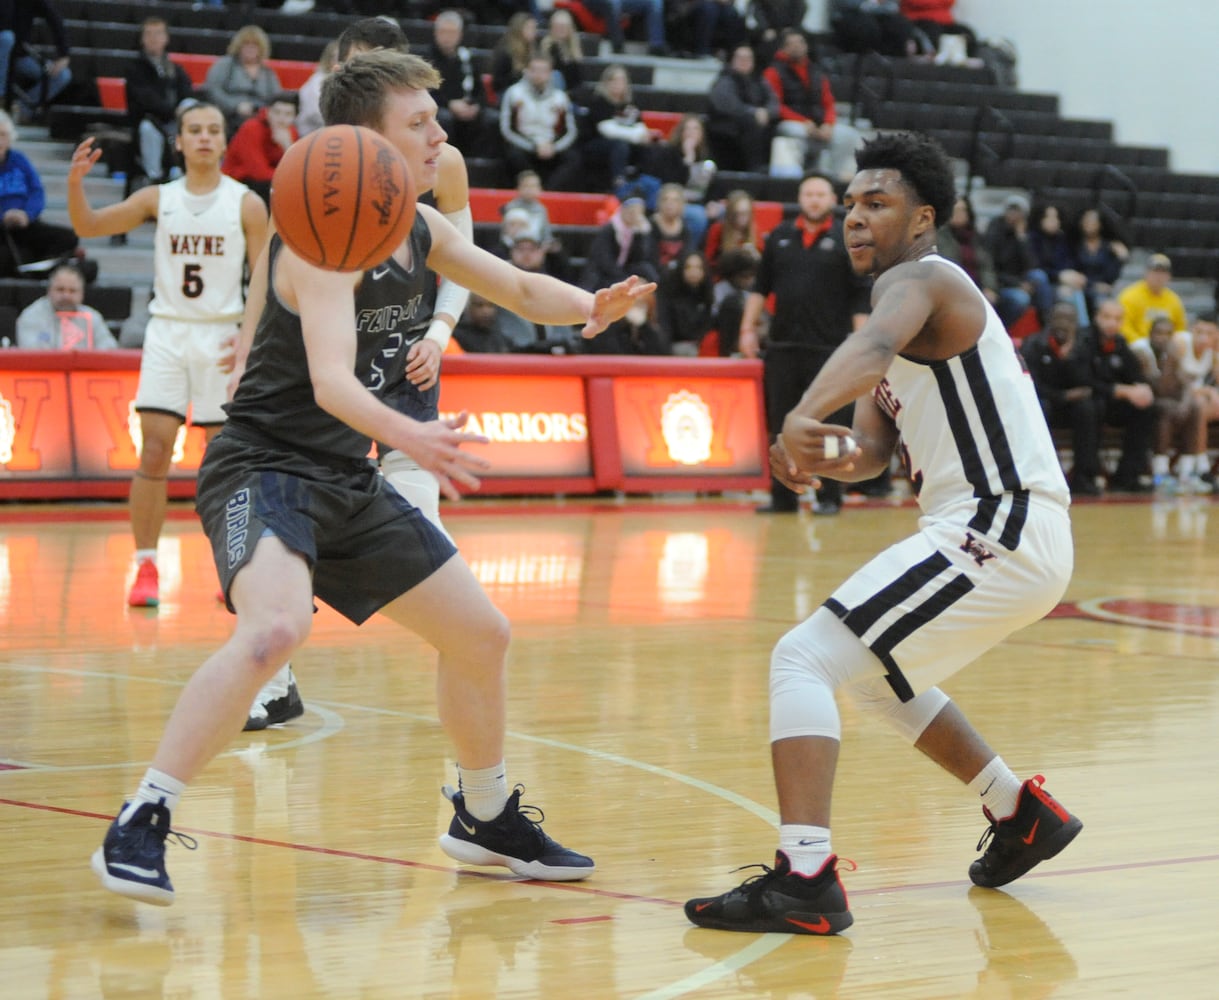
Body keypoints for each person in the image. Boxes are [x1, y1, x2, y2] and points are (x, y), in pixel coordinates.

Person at [89, 50, 654, 907]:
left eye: (436, 119)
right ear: (364, 142)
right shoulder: (314, 238)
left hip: (344, 477)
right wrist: (411, 438)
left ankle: (485, 814)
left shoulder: (419, 227)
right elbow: (331, 383)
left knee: (482, 634)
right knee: (275, 632)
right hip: (264, 464)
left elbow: (511, 285)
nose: (439, 134)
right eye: (419, 122)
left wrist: (587, 306)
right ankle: (144, 816)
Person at [685, 132, 1082, 935]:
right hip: (997, 530)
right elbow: (868, 454)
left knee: (801, 655)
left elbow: (865, 351)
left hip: (996, 520)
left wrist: (799, 413)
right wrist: (813, 454)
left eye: (877, 204)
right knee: (871, 676)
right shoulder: (898, 309)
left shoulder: (924, 280)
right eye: (852, 204)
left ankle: (804, 877)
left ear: (923, 217)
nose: (855, 219)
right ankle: (1018, 812)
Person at [240, 15, 479, 730]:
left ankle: (458, 650)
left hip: (404, 347)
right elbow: (271, 262)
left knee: (420, 520)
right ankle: (272, 678)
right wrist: (245, 341)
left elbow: (469, 259)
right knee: (284, 512)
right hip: (331, 354)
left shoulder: (445, 159)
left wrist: (440, 331)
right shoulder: (315, 163)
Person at [67, 102, 270, 608]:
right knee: (154, 450)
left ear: (225, 142)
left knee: (224, 461)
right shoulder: (159, 198)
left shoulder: (246, 203)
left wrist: (249, 338)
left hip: (222, 334)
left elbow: (265, 276)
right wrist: (75, 184)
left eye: (213, 130)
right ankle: (145, 567)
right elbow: (89, 225)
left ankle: (235, 567)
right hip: (168, 334)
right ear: (178, 141)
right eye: (194, 130)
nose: (204, 138)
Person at [740, 171, 870, 515]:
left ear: (831, 200)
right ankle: (782, 497)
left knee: (828, 425)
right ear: (800, 198)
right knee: (780, 423)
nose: (814, 199)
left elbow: (860, 294)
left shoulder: (848, 238)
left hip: (830, 350)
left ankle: (829, 497)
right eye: (808, 193)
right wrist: (747, 329)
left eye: (820, 194)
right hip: (782, 346)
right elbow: (759, 288)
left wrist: (859, 342)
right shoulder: (780, 236)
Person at [1021, 302, 1105, 497]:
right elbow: (1029, 385)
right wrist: (1062, 396)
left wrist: (1070, 358)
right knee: (1040, 408)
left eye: (1069, 320)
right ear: (1050, 320)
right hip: (1046, 402)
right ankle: (1043, 475)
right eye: (1059, 318)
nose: (1063, 324)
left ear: (1076, 324)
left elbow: (1088, 384)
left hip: (1072, 408)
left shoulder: (1083, 347)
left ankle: (1084, 477)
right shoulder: (1033, 345)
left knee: (1089, 408)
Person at [762, 29, 860, 181]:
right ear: (782, 48)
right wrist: (803, 122)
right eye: (791, 44)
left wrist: (828, 124)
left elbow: (828, 102)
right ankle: (790, 182)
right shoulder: (773, 72)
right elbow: (776, 106)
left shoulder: (816, 71)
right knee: (795, 132)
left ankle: (836, 181)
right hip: (789, 123)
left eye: (800, 42)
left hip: (818, 124)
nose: (797, 46)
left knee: (849, 136)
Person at [1131, 315, 1209, 495]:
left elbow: (1185, 384)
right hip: (1139, 405)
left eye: (1168, 334)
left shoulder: (1172, 351)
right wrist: (1171, 363)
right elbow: (1158, 388)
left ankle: (1187, 473)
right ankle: (1160, 473)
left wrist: (1184, 404)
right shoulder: (1141, 351)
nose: (1163, 338)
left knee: (1194, 408)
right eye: (1159, 333)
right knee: (1166, 411)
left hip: (1163, 403)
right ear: (1150, 334)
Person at [1084, 298, 1157, 492]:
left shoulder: (1120, 343)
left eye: (1117, 319)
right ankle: (1087, 476)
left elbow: (1135, 376)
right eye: (1107, 317)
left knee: (1146, 408)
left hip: (1113, 404)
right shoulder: (1084, 341)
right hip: (1089, 401)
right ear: (1097, 318)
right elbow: (1083, 381)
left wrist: (1144, 388)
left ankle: (1128, 476)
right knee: (1090, 407)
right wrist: (1119, 390)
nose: (1112, 323)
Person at [0, 109, 79, 277]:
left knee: (68, 238)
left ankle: (40, 272)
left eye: (3, 135)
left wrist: (27, 215)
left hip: (25, 222)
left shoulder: (19, 160)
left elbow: (36, 192)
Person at [123, 17, 196, 185]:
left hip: (175, 122)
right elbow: (145, 99)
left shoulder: (175, 69)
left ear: (166, 38)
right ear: (142, 39)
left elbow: (187, 92)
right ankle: (153, 176)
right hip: (148, 121)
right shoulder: (134, 68)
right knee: (148, 129)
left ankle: (186, 171)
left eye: (158, 33)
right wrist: (172, 111)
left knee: (191, 107)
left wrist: (182, 110)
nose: (153, 38)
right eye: (148, 34)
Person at [498, 54, 580, 188]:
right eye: (534, 70)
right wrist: (534, 146)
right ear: (527, 71)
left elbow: (570, 131)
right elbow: (506, 129)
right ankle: (529, 189)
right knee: (513, 155)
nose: (538, 74)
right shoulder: (514, 93)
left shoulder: (560, 97)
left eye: (543, 71)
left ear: (550, 73)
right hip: (525, 144)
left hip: (551, 145)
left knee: (573, 159)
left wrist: (554, 147)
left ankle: (549, 191)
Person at [426, 11, 498, 159]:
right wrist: (450, 104)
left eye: (452, 32)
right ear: (435, 33)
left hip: (467, 108)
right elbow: (426, 91)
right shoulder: (426, 59)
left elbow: (480, 90)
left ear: (460, 34)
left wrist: (476, 106)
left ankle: (479, 164)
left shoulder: (467, 58)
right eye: (443, 32)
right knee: (444, 118)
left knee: (491, 119)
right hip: (441, 108)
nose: (447, 37)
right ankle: (443, 159)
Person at [707, 45, 780, 174]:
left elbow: (774, 101)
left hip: (757, 124)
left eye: (748, 58)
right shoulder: (725, 80)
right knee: (750, 124)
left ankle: (774, 172)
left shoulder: (759, 80)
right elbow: (728, 105)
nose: (744, 61)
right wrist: (753, 112)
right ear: (732, 60)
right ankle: (755, 169)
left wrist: (767, 112)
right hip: (727, 125)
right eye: (740, 58)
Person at [15, 261, 116, 350]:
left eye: (72, 291)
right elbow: (30, 354)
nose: (66, 296)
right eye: (60, 289)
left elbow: (109, 349)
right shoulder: (31, 316)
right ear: (49, 291)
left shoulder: (92, 317)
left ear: (82, 294)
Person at [0, 0, 72, 121]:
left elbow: (54, 18)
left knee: (62, 75)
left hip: (19, 57)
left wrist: (64, 54)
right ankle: (1, 98)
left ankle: (18, 111)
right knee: (7, 38)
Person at [203, 25, 283, 133]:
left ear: (261, 49)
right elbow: (213, 90)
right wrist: (235, 106)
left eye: (255, 45)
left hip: (261, 120)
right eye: (246, 44)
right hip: (228, 118)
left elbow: (277, 98)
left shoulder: (268, 73)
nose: (250, 48)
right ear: (238, 46)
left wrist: (263, 111)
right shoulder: (225, 65)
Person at [221, 92, 298, 204]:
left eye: (288, 114)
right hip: (237, 182)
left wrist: (287, 146)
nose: (281, 119)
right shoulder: (251, 129)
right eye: (277, 112)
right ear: (268, 112)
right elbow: (258, 173)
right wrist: (290, 177)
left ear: (295, 117)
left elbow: (298, 170)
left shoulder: (291, 132)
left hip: (267, 182)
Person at [579, 195, 659, 293]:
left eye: (638, 212)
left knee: (648, 271)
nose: (634, 215)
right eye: (631, 211)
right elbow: (603, 259)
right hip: (605, 272)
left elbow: (639, 258)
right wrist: (622, 277)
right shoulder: (610, 229)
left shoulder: (640, 230)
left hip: (625, 270)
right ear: (623, 210)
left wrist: (640, 236)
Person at [1070, 207, 1127, 318]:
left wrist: (1120, 259)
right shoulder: (1074, 244)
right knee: (1075, 297)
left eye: (1093, 221)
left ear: (1100, 223)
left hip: (1102, 287)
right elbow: (1073, 270)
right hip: (1079, 286)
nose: (1089, 224)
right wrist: (1092, 284)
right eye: (1086, 220)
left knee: (1103, 299)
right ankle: (1084, 328)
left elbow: (1111, 275)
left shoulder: (1109, 246)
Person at [1117, 253, 1186, 345]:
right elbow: (1124, 326)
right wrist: (1139, 341)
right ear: (1146, 273)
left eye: (1163, 272)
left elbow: (1180, 328)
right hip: (1138, 343)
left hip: (1165, 344)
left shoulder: (1174, 299)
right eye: (1155, 271)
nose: (1158, 276)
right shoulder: (1130, 296)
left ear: (1169, 276)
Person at [656, 249, 713, 355]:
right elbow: (665, 327)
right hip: (675, 347)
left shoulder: (707, 293)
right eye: (688, 267)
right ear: (681, 269)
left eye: (698, 267)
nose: (694, 272)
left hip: (699, 346)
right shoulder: (669, 292)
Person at [830, 0, 917, 59]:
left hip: (878, 14)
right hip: (851, 14)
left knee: (900, 26)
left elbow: (891, 7)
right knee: (866, 27)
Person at [295, 41, 338, 137]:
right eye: (335, 58)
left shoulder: (347, 80)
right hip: (311, 134)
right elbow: (315, 113)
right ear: (328, 60)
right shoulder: (317, 80)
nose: (339, 62)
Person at [452, 292, 517, 353]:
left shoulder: (502, 337)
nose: (485, 311)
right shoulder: (455, 337)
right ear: (469, 307)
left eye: (490, 305)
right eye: (479, 305)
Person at [539, 9, 584, 92]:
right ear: (552, 27)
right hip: (552, 89)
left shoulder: (574, 46)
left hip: (572, 90)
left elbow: (578, 77)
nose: (560, 29)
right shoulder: (549, 45)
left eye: (563, 26)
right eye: (557, 26)